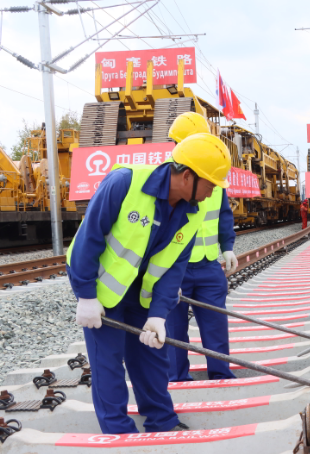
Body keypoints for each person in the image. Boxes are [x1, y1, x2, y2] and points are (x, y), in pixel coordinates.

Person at [66, 132, 231, 434]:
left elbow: (173, 269)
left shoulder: (192, 212)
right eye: (210, 183)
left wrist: (158, 314)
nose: (213, 192)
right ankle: (119, 432)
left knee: (152, 360)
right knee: (109, 364)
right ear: (187, 177)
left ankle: (162, 422)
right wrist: (85, 295)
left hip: (143, 297)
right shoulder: (125, 184)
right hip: (104, 294)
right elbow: (87, 240)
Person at [164, 113, 239, 383]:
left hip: (208, 264)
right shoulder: (166, 175)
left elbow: (223, 213)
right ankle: (177, 378)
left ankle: (221, 374)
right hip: (175, 267)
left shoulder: (212, 170)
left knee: (215, 323)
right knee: (173, 327)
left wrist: (227, 246)